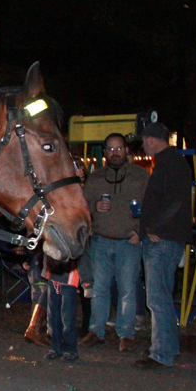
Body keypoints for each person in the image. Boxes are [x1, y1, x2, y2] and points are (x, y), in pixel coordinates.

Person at [78, 133, 149, 352]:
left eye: (119, 149)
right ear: (106, 152)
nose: (115, 153)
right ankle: (96, 330)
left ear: (127, 150)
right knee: (99, 289)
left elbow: (152, 208)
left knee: (127, 290)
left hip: (128, 242)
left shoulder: (140, 176)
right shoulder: (96, 178)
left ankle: (126, 333)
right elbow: (81, 206)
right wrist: (94, 208)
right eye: (111, 149)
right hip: (101, 241)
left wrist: (141, 231)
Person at [132, 123, 192, 369]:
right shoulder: (170, 162)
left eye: (145, 140)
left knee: (157, 298)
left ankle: (161, 353)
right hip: (165, 237)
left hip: (163, 240)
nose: (143, 145)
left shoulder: (171, 163)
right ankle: (166, 345)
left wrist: (154, 226)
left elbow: (175, 202)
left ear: (153, 140)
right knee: (161, 296)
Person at [43, 255, 80, 362]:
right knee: (52, 318)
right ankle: (56, 347)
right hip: (53, 279)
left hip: (69, 282)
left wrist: (87, 282)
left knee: (67, 319)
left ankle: (71, 349)